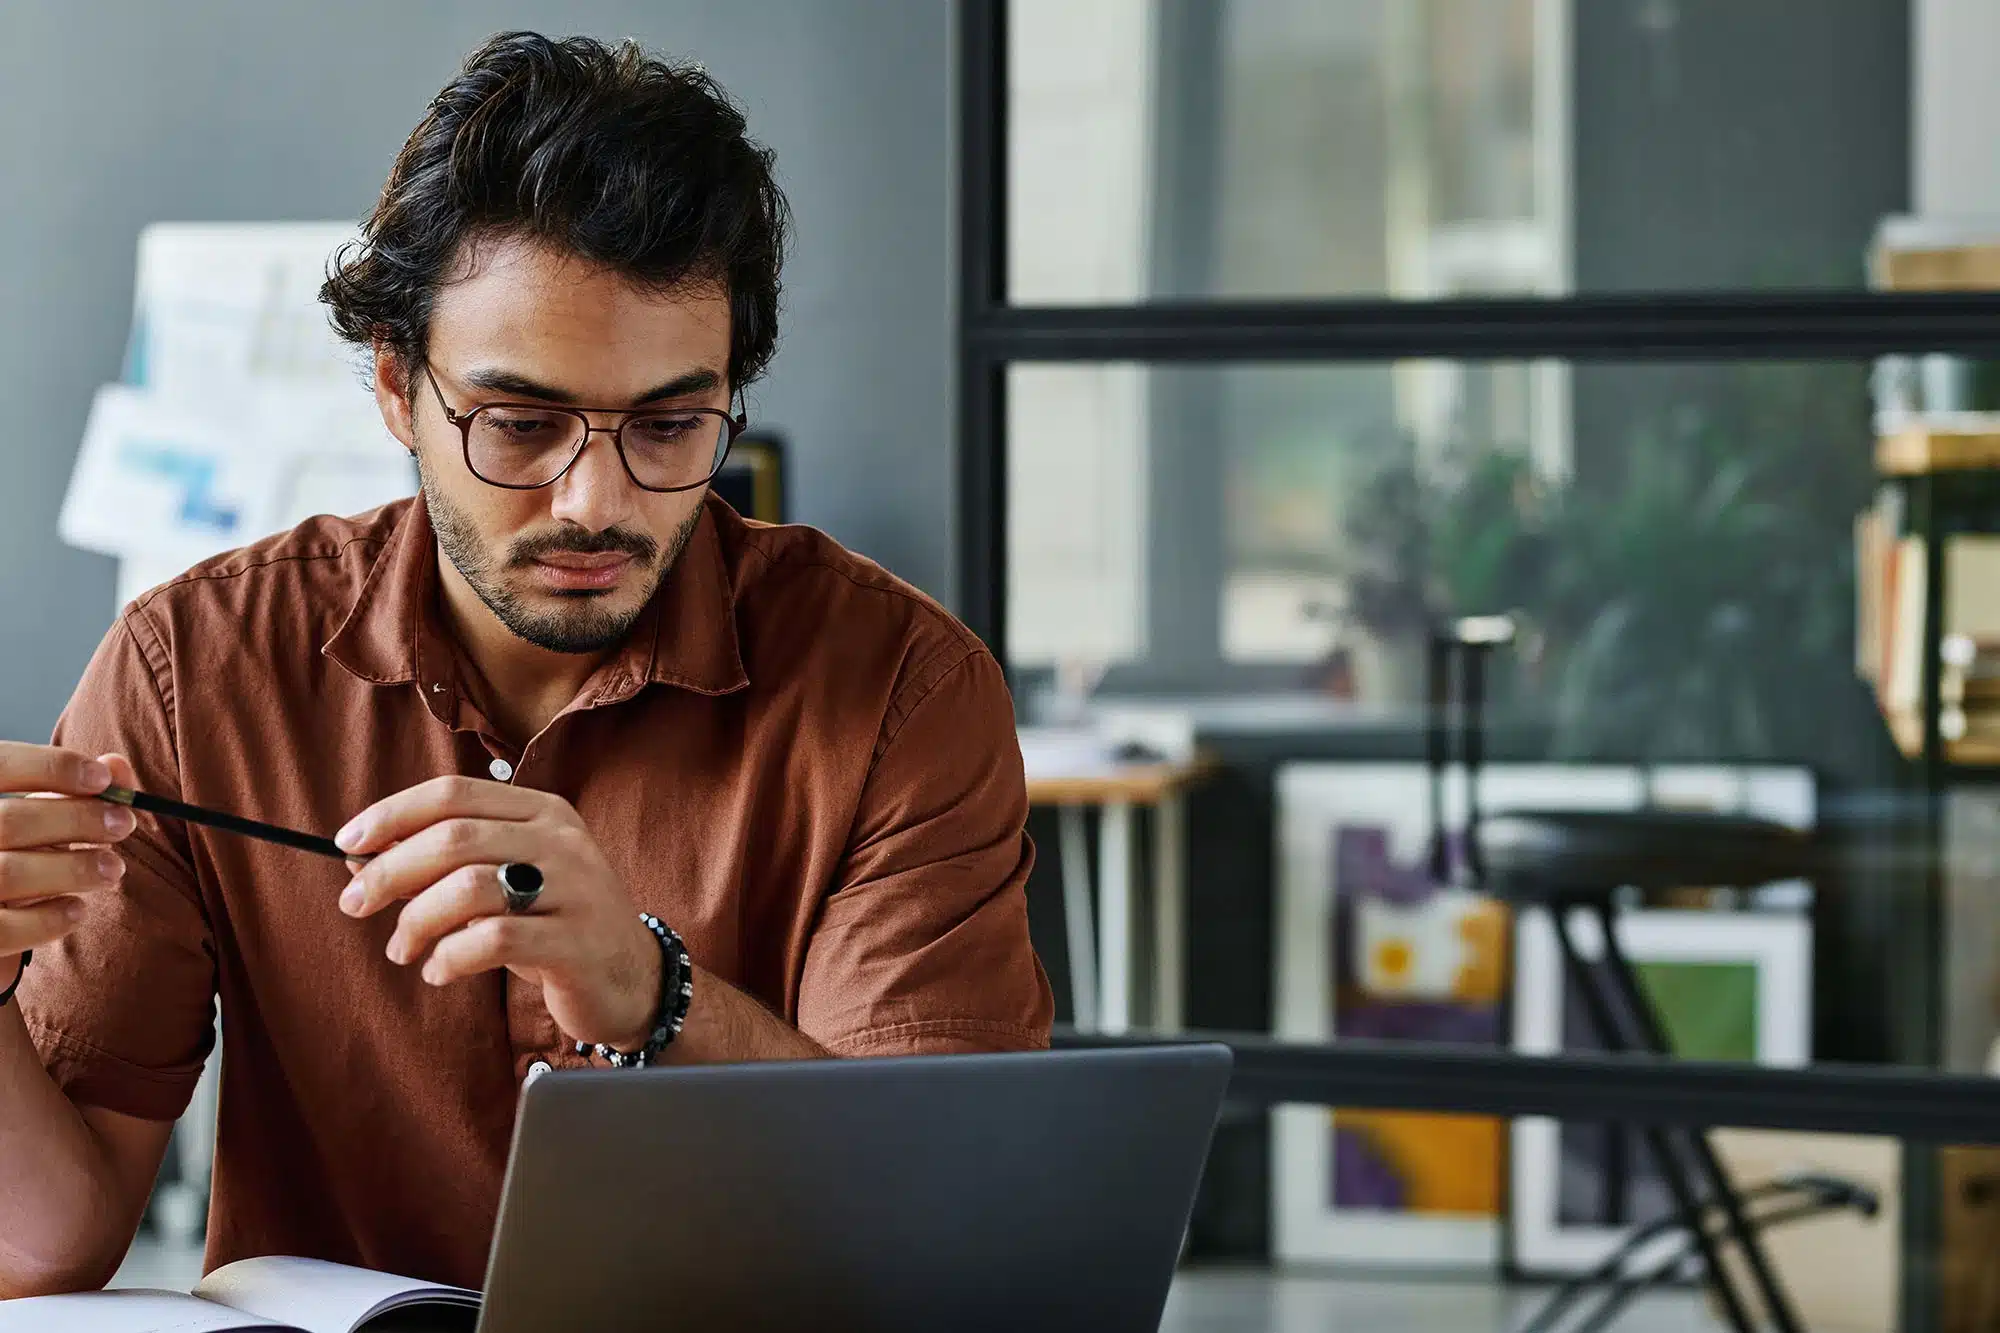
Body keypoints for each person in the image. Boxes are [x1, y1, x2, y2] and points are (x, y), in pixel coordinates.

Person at [0, 32, 1052, 1296]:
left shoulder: (900, 687)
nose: (594, 500)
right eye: (517, 423)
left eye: (670, 426)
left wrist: (644, 989)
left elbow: (945, 1232)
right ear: (397, 388)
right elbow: (37, 1247)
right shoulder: (194, 671)